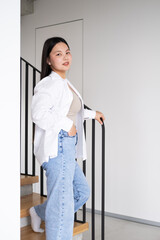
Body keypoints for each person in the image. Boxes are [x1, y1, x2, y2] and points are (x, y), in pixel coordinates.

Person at [29, 37, 105, 240]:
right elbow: (38, 113)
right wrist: (66, 125)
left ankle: (38, 212)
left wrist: (92, 113)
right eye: (58, 53)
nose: (65, 57)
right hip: (58, 146)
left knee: (80, 192)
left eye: (67, 52)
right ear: (48, 60)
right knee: (61, 207)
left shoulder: (65, 83)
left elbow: (71, 111)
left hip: (67, 147)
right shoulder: (49, 83)